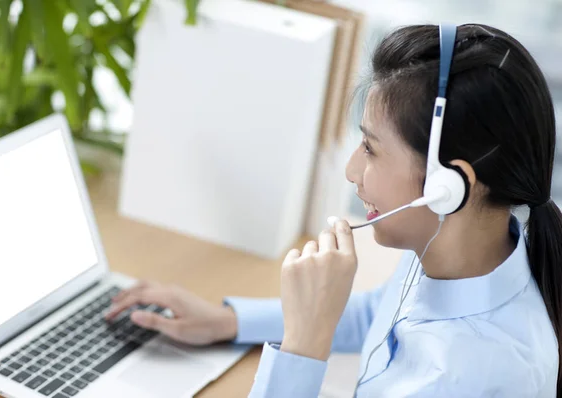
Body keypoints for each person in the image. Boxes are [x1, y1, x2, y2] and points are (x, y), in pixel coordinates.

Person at [105, 23, 561, 397]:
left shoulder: (472, 379)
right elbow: (374, 315)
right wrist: (226, 321)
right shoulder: (459, 248)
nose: (351, 170)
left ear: (449, 185)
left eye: (370, 148)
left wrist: (304, 346)